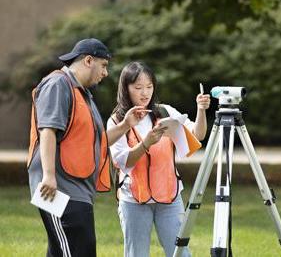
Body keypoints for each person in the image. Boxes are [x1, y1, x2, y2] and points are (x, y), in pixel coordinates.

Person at [27, 38, 148, 257]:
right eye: (104, 65)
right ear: (89, 60)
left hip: (77, 191)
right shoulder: (58, 84)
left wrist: (125, 125)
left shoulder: (82, 95)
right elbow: (47, 131)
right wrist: (49, 176)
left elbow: (97, 140)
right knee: (78, 250)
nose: (106, 73)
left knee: (64, 251)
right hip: (57, 189)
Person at [107, 61, 211, 257]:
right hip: (134, 199)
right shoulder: (117, 121)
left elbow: (198, 135)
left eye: (149, 86)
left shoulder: (165, 112)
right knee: (136, 253)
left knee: (181, 253)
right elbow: (123, 161)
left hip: (169, 197)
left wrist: (201, 110)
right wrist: (145, 143)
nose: (144, 93)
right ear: (125, 88)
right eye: (138, 87)